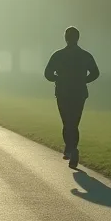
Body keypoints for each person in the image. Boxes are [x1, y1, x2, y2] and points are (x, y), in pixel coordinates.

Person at [44, 26, 100, 169]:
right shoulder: (85, 55)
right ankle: (71, 149)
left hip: (63, 92)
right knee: (74, 122)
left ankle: (71, 149)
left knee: (67, 122)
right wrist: (83, 80)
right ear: (78, 38)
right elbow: (95, 73)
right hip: (79, 92)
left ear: (65, 38)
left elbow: (48, 74)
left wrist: (57, 78)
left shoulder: (58, 55)